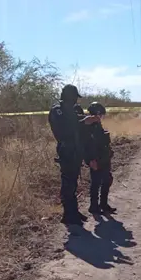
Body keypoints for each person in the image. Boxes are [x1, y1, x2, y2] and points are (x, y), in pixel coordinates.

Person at [48, 84, 100, 225]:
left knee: (73, 182)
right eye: (74, 98)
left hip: (77, 149)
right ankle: (68, 214)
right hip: (66, 149)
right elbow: (64, 129)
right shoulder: (57, 110)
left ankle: (74, 211)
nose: (75, 101)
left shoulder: (75, 109)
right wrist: (84, 121)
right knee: (68, 183)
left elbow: (81, 127)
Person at [84, 102, 117, 215]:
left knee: (107, 180)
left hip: (104, 157)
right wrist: (91, 159)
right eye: (100, 115)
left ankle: (103, 204)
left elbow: (102, 141)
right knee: (96, 183)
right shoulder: (88, 127)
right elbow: (88, 145)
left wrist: (109, 151)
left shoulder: (98, 125)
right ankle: (93, 206)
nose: (101, 117)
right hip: (95, 158)